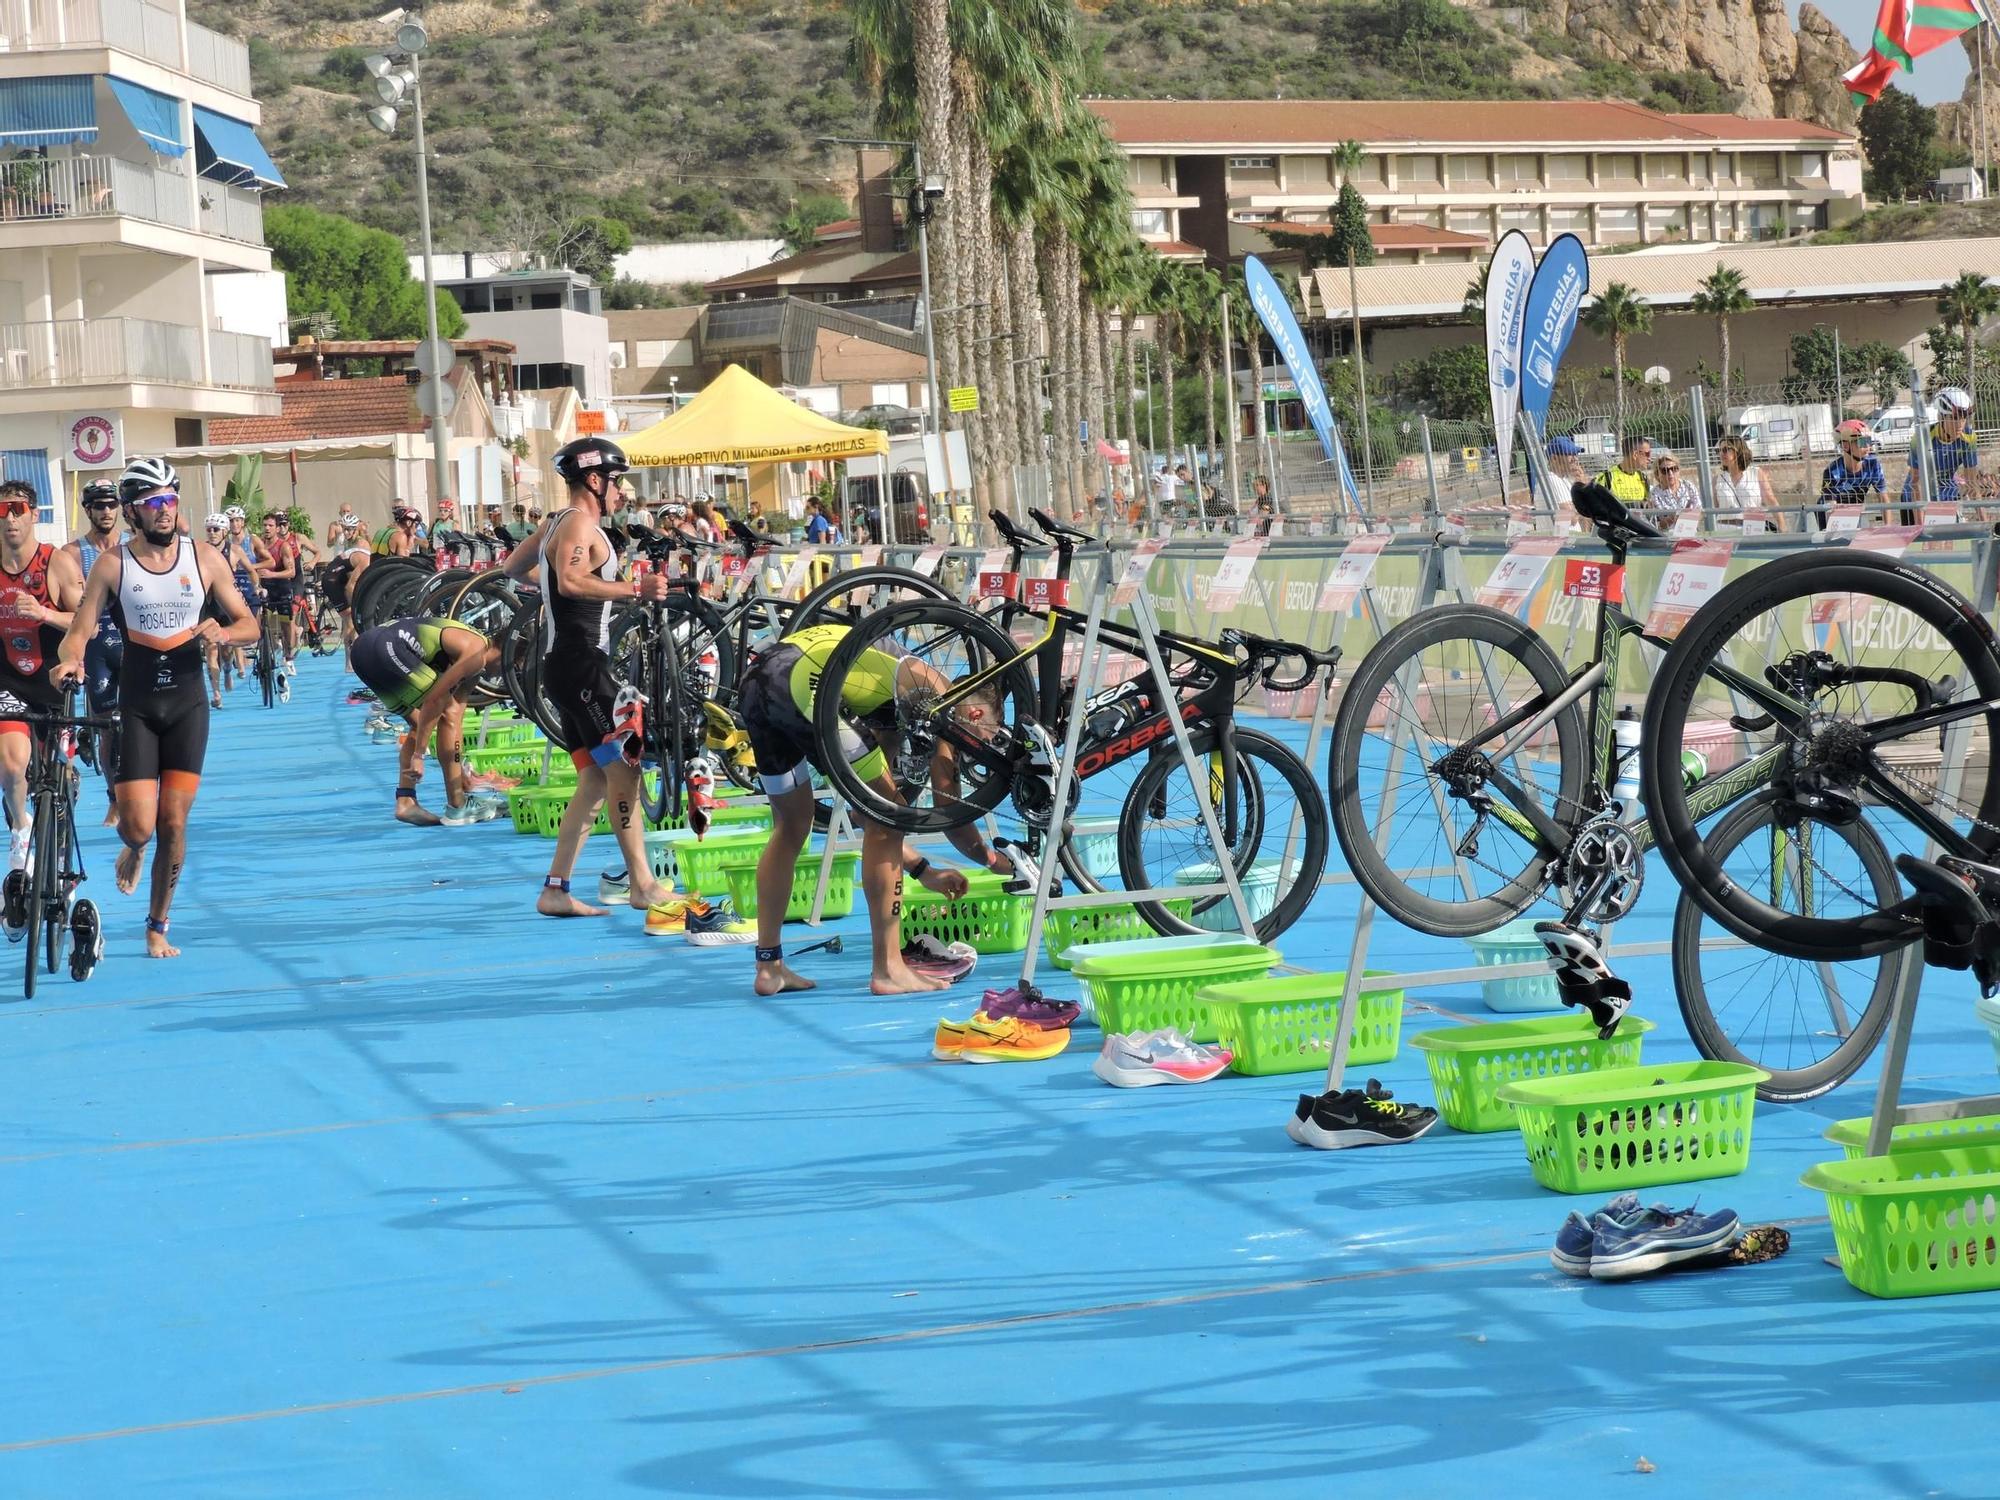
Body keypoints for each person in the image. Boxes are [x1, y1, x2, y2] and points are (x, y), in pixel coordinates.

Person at [737, 622, 1039, 997]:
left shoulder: (891, 696)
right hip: (803, 681)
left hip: (760, 677)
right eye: (990, 738)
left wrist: (922, 869)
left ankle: (769, 967)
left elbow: (867, 810)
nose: (982, 750)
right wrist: (995, 860)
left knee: (793, 824)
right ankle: (888, 968)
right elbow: (947, 813)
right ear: (975, 716)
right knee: (890, 819)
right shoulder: (940, 705)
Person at [53, 457, 258, 959]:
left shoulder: (205, 557)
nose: (165, 511)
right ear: (131, 512)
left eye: (171, 500)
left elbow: (249, 623)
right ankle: (134, 847)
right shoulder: (112, 565)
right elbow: (78, 633)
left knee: (174, 823)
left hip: (188, 705)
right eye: (153, 503)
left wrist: (225, 632)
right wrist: (69, 663)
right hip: (138, 707)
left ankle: (157, 925)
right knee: (139, 826)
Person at [502, 436, 676, 920]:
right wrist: (632, 590)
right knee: (626, 769)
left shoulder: (557, 522)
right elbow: (572, 581)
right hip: (581, 665)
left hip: (564, 666)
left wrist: (560, 593)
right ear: (595, 481)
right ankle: (642, 884)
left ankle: (556, 889)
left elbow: (514, 567)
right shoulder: (579, 523)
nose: (622, 493)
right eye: (617, 482)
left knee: (597, 780)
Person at [0, 479, 82, 875]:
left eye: (17, 509)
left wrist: (45, 614)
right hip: (8, 682)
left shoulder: (57, 562)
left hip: (54, 682)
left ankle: (63, 861)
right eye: (2, 511)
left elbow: (88, 623)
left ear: (34, 514)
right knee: (13, 764)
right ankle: (20, 827)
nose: (10, 519)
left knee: (59, 780)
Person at [349, 616, 499, 827]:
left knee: (421, 724)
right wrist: (419, 754)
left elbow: (457, 716)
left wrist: (462, 775)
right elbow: (436, 702)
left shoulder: (475, 655)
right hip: (385, 650)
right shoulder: (477, 653)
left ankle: (406, 800)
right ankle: (457, 805)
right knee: (443, 711)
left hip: (363, 652)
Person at [64, 481, 125, 818]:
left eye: (111, 505)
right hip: (97, 645)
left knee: (138, 720)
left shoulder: (134, 544)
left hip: (132, 641)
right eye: (99, 506)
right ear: (88, 510)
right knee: (107, 726)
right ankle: (114, 798)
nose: (106, 512)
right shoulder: (74, 553)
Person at [1902, 386, 1987, 520]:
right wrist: (1921, 525)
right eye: (1954, 418)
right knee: (1926, 540)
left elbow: (1972, 484)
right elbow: (1915, 483)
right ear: (1940, 416)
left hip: (1946, 491)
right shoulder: (1921, 439)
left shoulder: (1969, 438)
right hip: (1916, 496)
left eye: (1963, 418)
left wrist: (1984, 522)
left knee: (1947, 539)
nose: (1960, 424)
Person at [254, 512, 298, 697]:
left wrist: (272, 574)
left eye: (270, 525)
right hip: (265, 589)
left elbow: (292, 572)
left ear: (276, 527)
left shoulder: (283, 546)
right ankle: (267, 653)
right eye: (264, 525)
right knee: (263, 622)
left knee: (286, 626)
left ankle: (288, 655)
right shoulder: (258, 546)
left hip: (282, 587)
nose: (267, 529)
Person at [1818, 421, 1886, 527]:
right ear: (1846, 446)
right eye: (1862, 442)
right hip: (1829, 516)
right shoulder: (1832, 472)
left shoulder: (1873, 465)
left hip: (1855, 511)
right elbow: (1830, 509)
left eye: (1869, 441)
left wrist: (1887, 527)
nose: (1869, 447)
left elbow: (1884, 499)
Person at [1714, 435, 1780, 530]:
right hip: (1725, 530)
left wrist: (1782, 526)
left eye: (1725, 449)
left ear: (1738, 450)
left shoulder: (1756, 473)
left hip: (1752, 528)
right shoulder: (1717, 480)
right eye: (1718, 450)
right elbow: (1714, 510)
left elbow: (1771, 501)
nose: (1721, 453)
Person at [1594, 434, 1653, 507]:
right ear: (1635, 455)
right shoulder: (1607, 477)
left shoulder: (1643, 478)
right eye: (1647, 454)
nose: (1650, 458)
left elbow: (1647, 507)